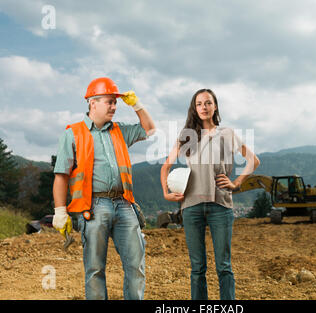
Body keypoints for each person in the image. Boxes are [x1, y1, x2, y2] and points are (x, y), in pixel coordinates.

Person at [52, 77, 155, 300]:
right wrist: (60, 211)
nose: (114, 107)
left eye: (115, 102)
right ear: (92, 103)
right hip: (93, 207)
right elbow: (61, 176)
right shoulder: (73, 134)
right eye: (109, 102)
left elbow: (149, 128)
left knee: (136, 266)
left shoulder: (120, 131)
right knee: (95, 269)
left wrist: (137, 105)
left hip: (124, 204)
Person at [160, 88, 260, 300]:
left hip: (220, 206)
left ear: (215, 106)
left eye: (208, 103)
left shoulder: (227, 134)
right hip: (191, 207)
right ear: (194, 109)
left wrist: (236, 183)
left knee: (224, 266)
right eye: (199, 104)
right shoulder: (187, 136)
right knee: (197, 269)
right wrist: (166, 193)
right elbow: (165, 167)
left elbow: (254, 160)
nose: (203, 107)